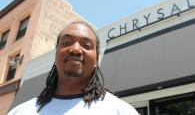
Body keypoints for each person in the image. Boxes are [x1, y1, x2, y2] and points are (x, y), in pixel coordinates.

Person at [8, 21, 139, 115]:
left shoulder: (121, 111)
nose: (75, 49)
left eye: (86, 45)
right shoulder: (20, 111)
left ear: (96, 59)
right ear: (56, 53)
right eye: (66, 43)